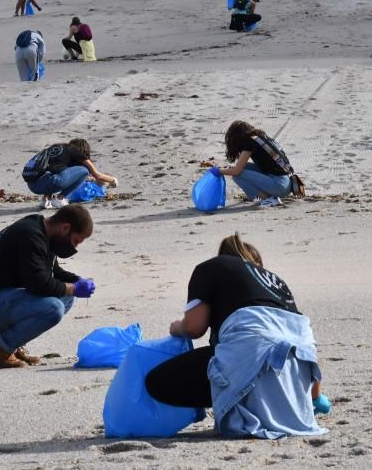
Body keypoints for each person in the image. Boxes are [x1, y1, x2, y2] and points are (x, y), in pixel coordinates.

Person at [145, 234, 328, 438]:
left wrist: (177, 328)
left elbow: (194, 327)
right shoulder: (277, 283)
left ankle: (247, 406)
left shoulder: (211, 268)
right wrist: (315, 398)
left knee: (156, 382)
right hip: (295, 385)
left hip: (253, 355)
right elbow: (304, 345)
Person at [0, 206, 97, 368]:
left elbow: (53, 271)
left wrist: (77, 281)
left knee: (66, 298)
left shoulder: (44, 232)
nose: (74, 247)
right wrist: (74, 288)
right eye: (75, 241)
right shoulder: (31, 235)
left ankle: (12, 345)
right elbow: (38, 283)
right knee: (53, 308)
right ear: (65, 228)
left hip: (4, 298)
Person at [210, 120, 296, 208]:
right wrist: (227, 169)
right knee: (244, 167)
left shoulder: (249, 143)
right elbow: (239, 167)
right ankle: (269, 196)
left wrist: (219, 171)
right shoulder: (259, 137)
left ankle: (268, 199)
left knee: (238, 175)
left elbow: (236, 171)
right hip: (287, 182)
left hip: (279, 185)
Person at [22, 139, 117, 209]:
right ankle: (60, 198)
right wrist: (113, 180)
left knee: (53, 172)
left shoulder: (55, 148)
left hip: (32, 186)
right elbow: (97, 175)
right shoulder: (77, 151)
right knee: (84, 171)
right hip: (49, 182)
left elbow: (48, 169)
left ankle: (45, 200)